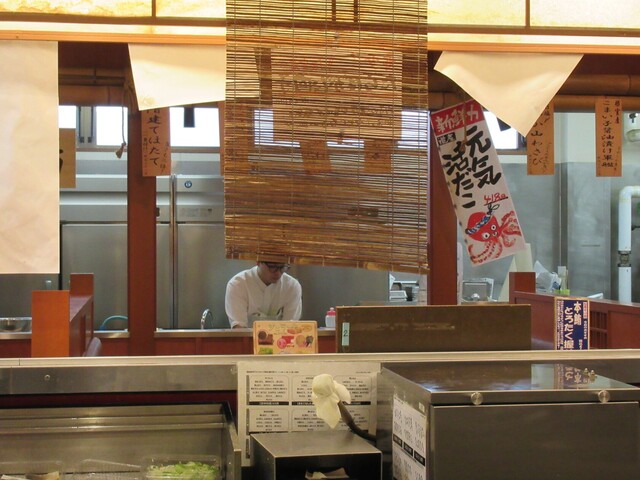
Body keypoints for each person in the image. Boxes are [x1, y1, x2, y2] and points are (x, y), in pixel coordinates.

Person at [225, 261, 302, 328]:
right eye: (272, 267)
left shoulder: (292, 286)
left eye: (282, 267)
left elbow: (290, 327)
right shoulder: (238, 284)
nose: (278, 273)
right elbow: (239, 328)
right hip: (247, 339)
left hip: (280, 339)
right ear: (258, 262)